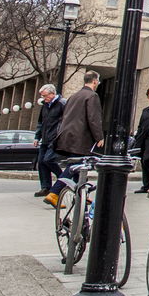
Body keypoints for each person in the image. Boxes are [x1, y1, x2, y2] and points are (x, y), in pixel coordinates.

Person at [46, 70, 104, 206]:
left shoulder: (74, 96)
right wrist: (99, 137)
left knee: (79, 166)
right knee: (75, 165)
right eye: (98, 81)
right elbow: (94, 118)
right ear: (95, 81)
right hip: (80, 137)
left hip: (67, 135)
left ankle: (82, 194)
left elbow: (65, 116)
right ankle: (54, 192)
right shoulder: (92, 96)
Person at [33, 84, 64, 197]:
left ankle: (63, 180)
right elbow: (41, 122)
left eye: (45, 96)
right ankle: (45, 187)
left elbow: (66, 121)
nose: (43, 98)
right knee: (41, 162)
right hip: (45, 138)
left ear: (52, 94)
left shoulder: (62, 104)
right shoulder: (45, 105)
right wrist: (37, 137)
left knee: (48, 160)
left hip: (55, 138)